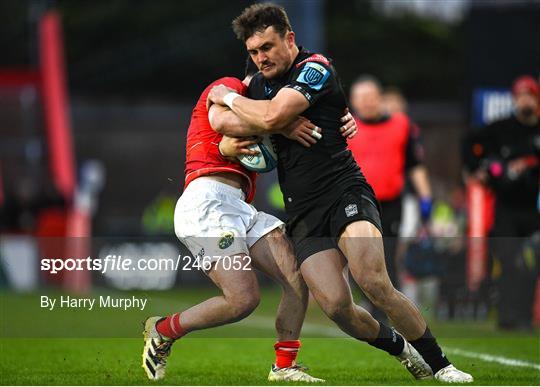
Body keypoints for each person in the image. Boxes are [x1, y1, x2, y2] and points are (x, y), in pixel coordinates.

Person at [206, 3, 473, 383]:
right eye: (253, 52)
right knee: (335, 305)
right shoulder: (258, 84)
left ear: (290, 38)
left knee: (374, 280)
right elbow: (218, 120)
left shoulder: (314, 68)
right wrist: (270, 120)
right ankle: (400, 348)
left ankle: (441, 364)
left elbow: (262, 116)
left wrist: (236, 101)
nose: (260, 58)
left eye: (267, 47)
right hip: (302, 209)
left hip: (343, 189)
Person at [141, 59, 357, 382]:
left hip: (240, 207)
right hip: (206, 201)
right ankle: (163, 330)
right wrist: (279, 125)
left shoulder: (266, 106)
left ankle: (284, 366)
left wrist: (344, 120)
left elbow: (307, 120)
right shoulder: (231, 87)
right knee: (243, 300)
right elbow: (221, 119)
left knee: (297, 276)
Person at [464, 75, 540, 330]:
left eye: (529, 95)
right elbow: (470, 145)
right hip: (506, 206)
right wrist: (476, 170)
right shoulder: (500, 129)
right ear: (514, 99)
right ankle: (506, 316)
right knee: (508, 261)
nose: (525, 101)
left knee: (531, 264)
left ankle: (525, 316)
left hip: (534, 207)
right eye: (520, 96)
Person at [348, 75, 433, 286]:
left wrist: (426, 197)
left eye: (371, 96)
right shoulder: (346, 129)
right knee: (359, 257)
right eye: (361, 98)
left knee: (388, 258)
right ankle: (365, 304)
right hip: (356, 202)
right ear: (353, 101)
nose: (367, 102)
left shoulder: (401, 125)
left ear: (380, 98)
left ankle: (386, 310)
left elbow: (414, 165)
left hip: (391, 202)